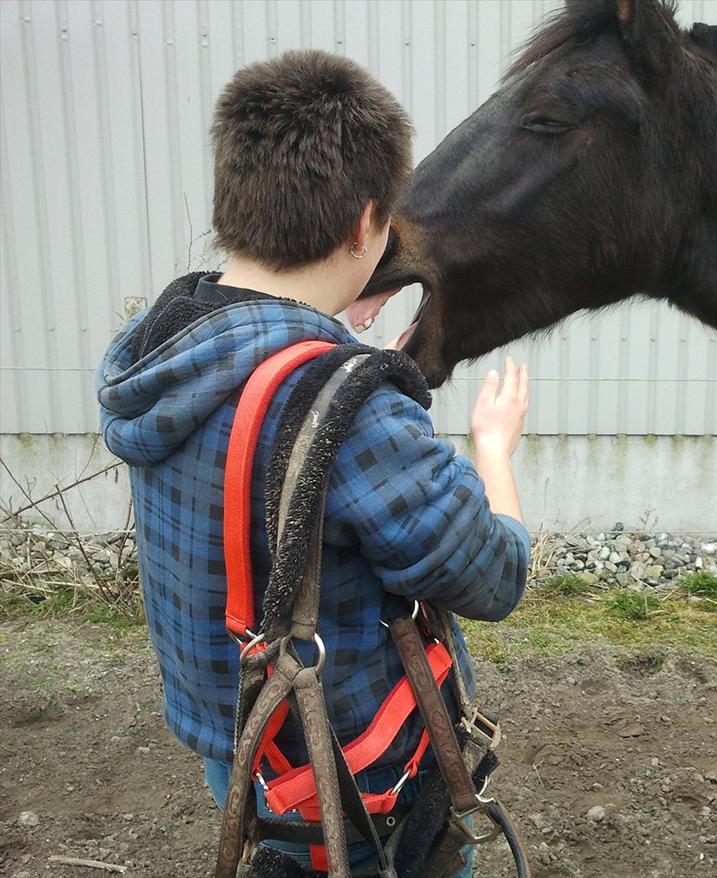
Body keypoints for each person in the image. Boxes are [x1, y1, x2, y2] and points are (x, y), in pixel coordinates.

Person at [96, 50, 530, 878]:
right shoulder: (353, 410)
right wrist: (493, 453)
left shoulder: (163, 352)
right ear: (366, 224)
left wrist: (331, 316)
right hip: (356, 781)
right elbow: (493, 575)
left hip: (238, 745)